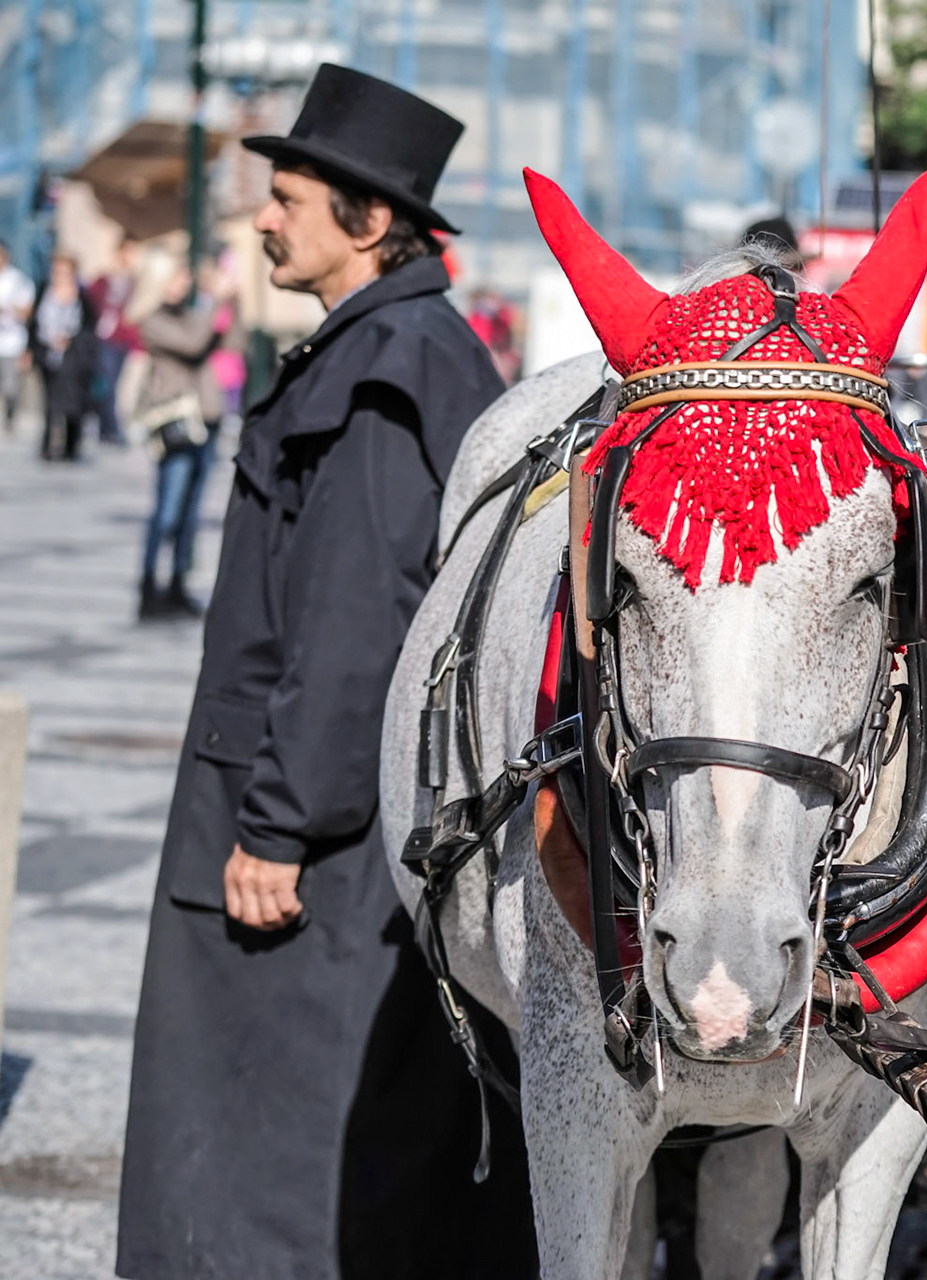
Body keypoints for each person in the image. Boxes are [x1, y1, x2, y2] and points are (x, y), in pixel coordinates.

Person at [117, 64, 536, 1280]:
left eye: (288, 199)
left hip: (322, 844)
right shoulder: (392, 347)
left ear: (368, 222)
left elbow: (356, 627)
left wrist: (283, 824)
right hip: (334, 827)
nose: (261, 219)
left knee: (283, 1143)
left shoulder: (388, 366)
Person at [130, 258, 227, 621]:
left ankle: (177, 585)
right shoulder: (153, 320)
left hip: (207, 419)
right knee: (167, 512)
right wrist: (214, 300)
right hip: (178, 425)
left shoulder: (189, 315)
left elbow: (231, 340)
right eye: (178, 276)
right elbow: (194, 343)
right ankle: (148, 586)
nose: (184, 283)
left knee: (191, 513)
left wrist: (232, 302)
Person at [30, 252, 97, 461]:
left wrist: (71, 339)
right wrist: (30, 349)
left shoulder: (81, 295)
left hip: (73, 356)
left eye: (64, 271)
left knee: (73, 400)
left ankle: (71, 444)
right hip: (47, 353)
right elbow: (33, 323)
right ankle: (47, 444)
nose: (59, 275)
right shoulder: (44, 290)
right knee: (50, 401)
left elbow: (89, 326)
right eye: (56, 271)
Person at [88, 238, 144, 447]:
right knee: (108, 383)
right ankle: (110, 429)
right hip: (106, 337)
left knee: (121, 386)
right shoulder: (106, 278)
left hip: (126, 339)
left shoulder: (136, 281)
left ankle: (110, 427)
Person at [0, 239, 32, 433]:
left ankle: (10, 416)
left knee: (11, 386)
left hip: (11, 342)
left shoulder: (18, 280)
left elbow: (27, 311)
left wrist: (8, 310)